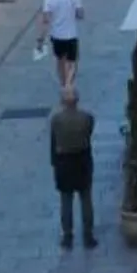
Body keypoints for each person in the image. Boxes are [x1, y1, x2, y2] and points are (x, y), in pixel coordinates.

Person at [49, 83, 97, 251]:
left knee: (66, 200)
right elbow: (89, 133)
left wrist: (54, 163)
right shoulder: (87, 117)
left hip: (64, 162)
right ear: (77, 100)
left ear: (62, 101)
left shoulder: (56, 120)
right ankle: (88, 234)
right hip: (82, 160)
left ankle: (68, 235)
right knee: (86, 199)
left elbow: (53, 142)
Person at [39, 0, 84, 85]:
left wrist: (41, 38)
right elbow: (80, 15)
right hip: (71, 35)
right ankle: (69, 84)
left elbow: (46, 20)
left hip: (56, 35)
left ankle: (63, 83)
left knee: (60, 61)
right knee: (73, 62)